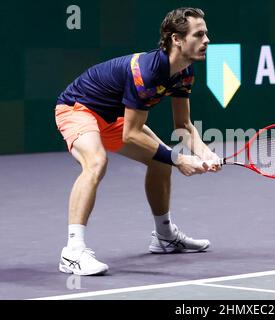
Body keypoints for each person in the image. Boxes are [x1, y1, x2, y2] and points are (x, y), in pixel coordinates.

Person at [55, 7, 220, 276]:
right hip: (78, 108)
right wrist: (179, 159)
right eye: (199, 34)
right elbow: (130, 134)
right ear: (176, 39)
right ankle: (72, 252)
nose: (207, 40)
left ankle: (165, 236)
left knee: (160, 161)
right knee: (96, 162)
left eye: (206, 34)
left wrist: (205, 154)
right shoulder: (147, 72)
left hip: (113, 116)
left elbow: (184, 127)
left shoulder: (185, 72)